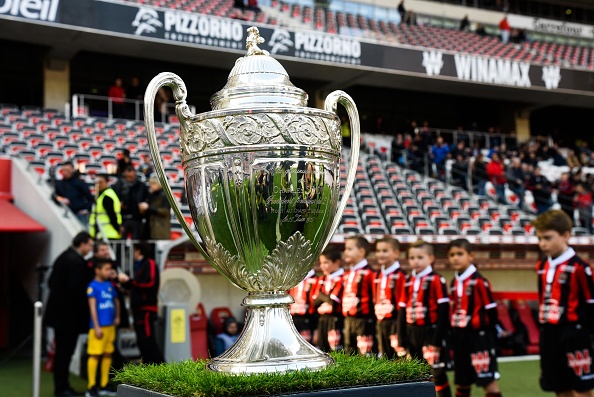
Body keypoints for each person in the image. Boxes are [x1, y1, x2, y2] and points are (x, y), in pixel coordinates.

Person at [532, 210, 594, 396]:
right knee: (559, 386)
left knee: (582, 386)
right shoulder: (542, 266)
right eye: (540, 238)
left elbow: (591, 303)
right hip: (549, 333)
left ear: (566, 235)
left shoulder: (579, 268)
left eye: (548, 238)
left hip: (574, 334)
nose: (543, 243)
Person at [447, 239, 502, 397]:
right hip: (459, 337)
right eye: (451, 255)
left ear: (471, 256)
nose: (455, 258)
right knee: (462, 382)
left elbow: (491, 310)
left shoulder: (479, 281)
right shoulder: (454, 282)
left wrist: (490, 335)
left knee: (487, 381)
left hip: (479, 337)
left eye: (459, 254)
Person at [397, 240, 451, 397]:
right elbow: (402, 309)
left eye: (420, 257)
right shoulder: (407, 280)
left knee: (437, 373)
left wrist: (437, 339)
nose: (415, 261)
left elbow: (443, 310)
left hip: (430, 332)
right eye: (412, 257)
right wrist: (401, 337)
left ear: (431, 258)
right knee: (416, 373)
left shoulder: (436, 279)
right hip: (412, 332)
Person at [45, 232, 95, 397]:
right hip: (68, 318)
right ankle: (62, 388)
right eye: (90, 245)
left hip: (59, 315)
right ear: (82, 244)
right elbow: (76, 291)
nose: (90, 249)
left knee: (62, 352)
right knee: (65, 353)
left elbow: (50, 282)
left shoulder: (64, 256)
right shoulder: (76, 262)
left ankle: (62, 386)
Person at [118, 243, 164, 364]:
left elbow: (150, 283)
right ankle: (148, 367)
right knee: (141, 340)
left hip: (146, 309)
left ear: (138, 251)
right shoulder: (139, 266)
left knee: (148, 339)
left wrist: (130, 282)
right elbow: (137, 285)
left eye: (134, 251)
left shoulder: (150, 263)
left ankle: (160, 367)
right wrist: (127, 285)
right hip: (138, 309)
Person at [86, 259, 120, 397]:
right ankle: (91, 386)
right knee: (95, 354)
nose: (109, 272)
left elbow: (116, 301)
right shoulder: (92, 286)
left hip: (110, 326)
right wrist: (96, 326)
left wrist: (117, 316)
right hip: (98, 328)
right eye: (106, 269)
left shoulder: (109, 285)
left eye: (110, 269)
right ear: (97, 270)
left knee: (108, 354)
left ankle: (104, 384)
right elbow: (92, 308)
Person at [341, 235, 376, 355]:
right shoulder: (347, 273)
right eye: (346, 249)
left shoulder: (370, 273)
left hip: (364, 321)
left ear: (361, 252)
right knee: (349, 353)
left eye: (350, 249)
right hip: (348, 320)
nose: (345, 252)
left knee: (365, 355)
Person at [373, 237, 406, 359]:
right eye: (378, 251)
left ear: (396, 253)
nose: (380, 254)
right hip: (381, 323)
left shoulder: (401, 275)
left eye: (385, 251)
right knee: (385, 359)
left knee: (399, 359)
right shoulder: (376, 275)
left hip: (395, 322)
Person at [311, 246, 345, 352]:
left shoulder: (343, 278)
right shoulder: (322, 279)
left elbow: (333, 303)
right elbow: (314, 303)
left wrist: (321, 295)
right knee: (322, 350)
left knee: (336, 351)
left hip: (336, 320)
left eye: (326, 263)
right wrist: (325, 298)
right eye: (321, 263)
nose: (322, 266)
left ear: (337, 262)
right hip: (322, 320)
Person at [53, 161, 94, 227]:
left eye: (68, 170)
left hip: (79, 214)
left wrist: (85, 209)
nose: (66, 172)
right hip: (65, 213)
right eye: (64, 170)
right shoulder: (59, 184)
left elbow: (90, 198)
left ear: (72, 170)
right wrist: (61, 199)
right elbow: (55, 196)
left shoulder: (80, 183)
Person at [113, 165, 148, 239]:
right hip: (122, 217)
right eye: (127, 176)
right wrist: (118, 203)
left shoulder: (141, 186)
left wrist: (143, 207)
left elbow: (146, 199)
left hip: (136, 218)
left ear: (134, 174)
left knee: (136, 241)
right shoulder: (118, 185)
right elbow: (113, 197)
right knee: (121, 242)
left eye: (131, 176)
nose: (129, 178)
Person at [289, 269, 318, 344]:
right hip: (293, 318)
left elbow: (316, 303)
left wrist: (316, 328)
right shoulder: (293, 279)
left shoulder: (315, 279)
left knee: (307, 346)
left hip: (308, 319)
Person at [90, 174, 122, 240]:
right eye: (97, 182)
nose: (99, 184)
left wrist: (117, 229)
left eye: (101, 182)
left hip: (108, 234)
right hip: (104, 233)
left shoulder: (106, 196)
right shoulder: (101, 195)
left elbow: (112, 214)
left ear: (107, 182)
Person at [139, 174, 171, 240]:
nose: (151, 185)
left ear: (159, 184)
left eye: (154, 183)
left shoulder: (165, 196)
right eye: (151, 183)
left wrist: (148, 208)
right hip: (149, 228)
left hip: (159, 230)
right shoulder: (150, 195)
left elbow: (165, 212)